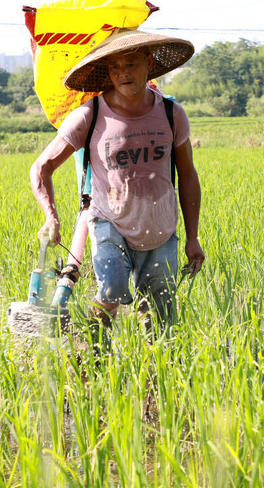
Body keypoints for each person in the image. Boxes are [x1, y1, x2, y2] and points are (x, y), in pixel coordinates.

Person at [29, 28, 204, 336]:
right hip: (108, 221)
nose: (123, 73)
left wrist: (193, 237)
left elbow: (188, 176)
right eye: (114, 67)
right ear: (107, 72)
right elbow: (41, 167)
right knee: (111, 288)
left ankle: (156, 375)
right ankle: (91, 356)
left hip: (161, 227)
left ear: (149, 63)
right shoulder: (90, 115)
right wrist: (51, 216)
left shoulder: (171, 113)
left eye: (131, 63)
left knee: (160, 316)